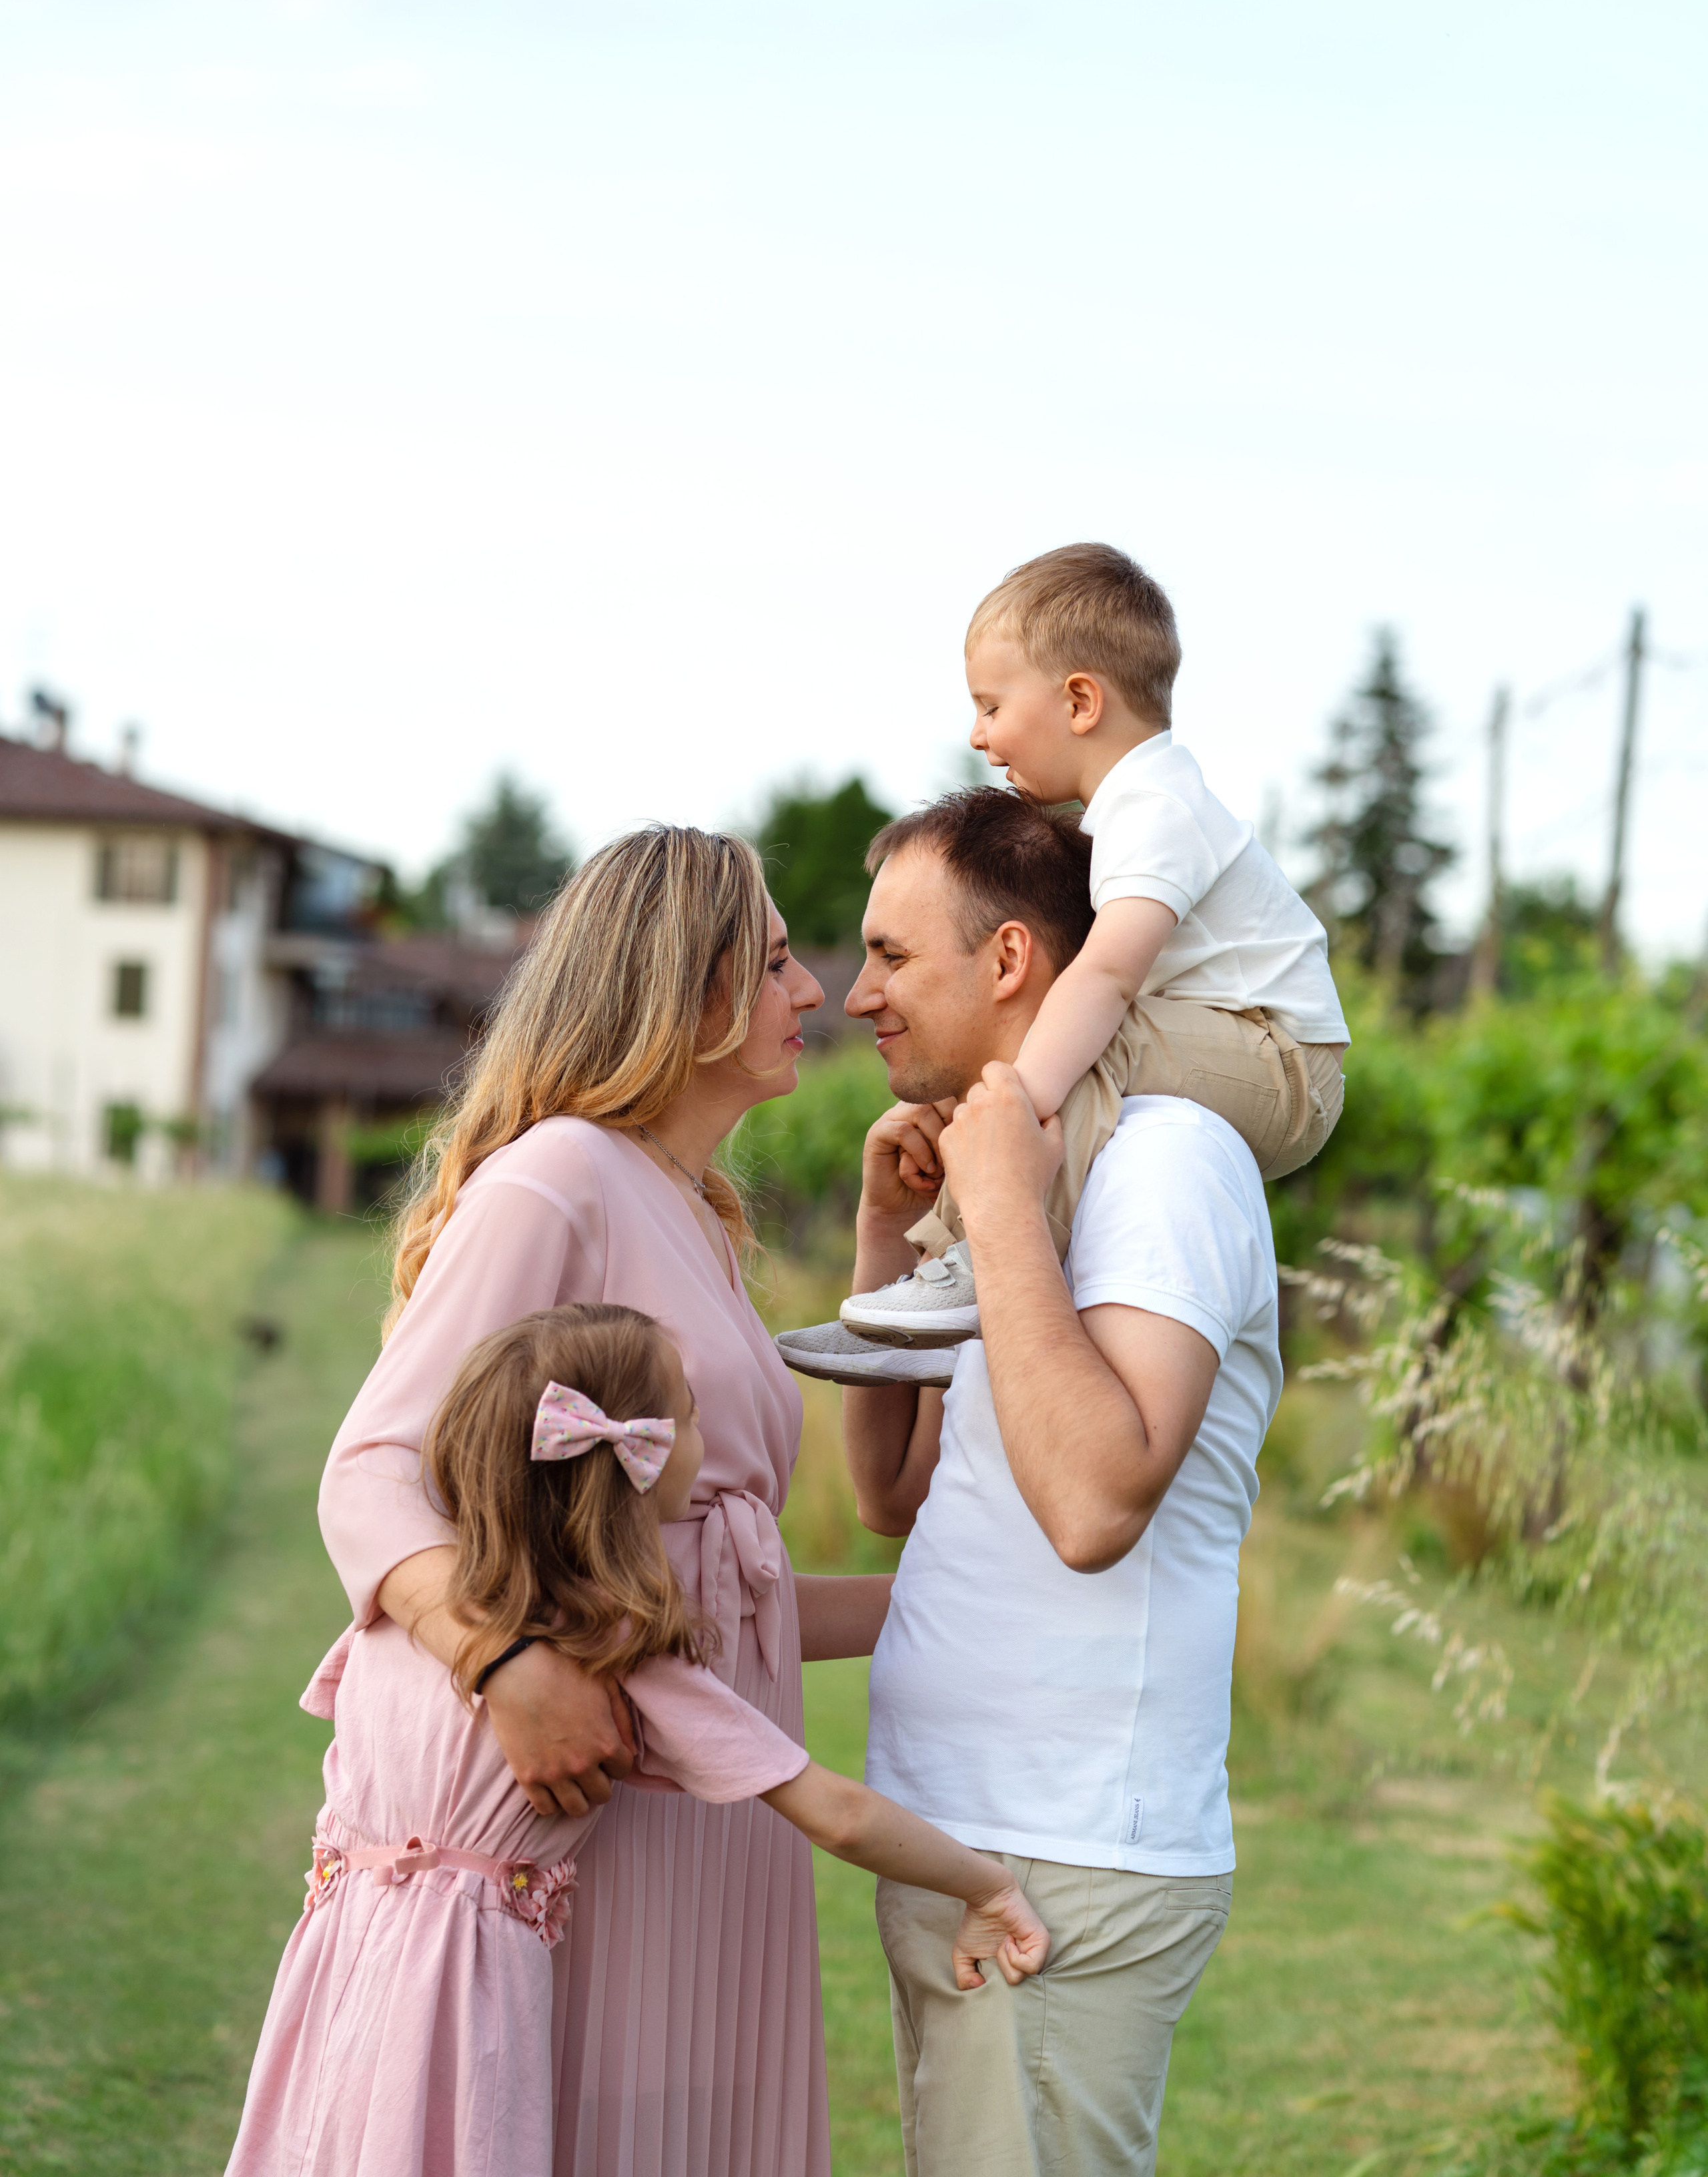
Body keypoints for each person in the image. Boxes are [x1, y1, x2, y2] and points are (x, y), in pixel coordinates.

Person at [316, 826, 883, 2177]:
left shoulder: (691, 1212)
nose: (813, 993)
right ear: (678, 991)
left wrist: (973, 1594)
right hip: (604, 1817)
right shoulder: (557, 1180)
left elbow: (712, 1588)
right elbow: (369, 1474)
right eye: (776, 960)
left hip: (711, 1808)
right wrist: (501, 1658)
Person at [228, 1304, 1046, 2177]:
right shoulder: (608, 1653)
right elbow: (837, 1814)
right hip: (467, 1998)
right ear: (637, 1457)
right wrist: (986, 1886)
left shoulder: (395, 1621)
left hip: (337, 1967)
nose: (704, 1439)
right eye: (693, 1416)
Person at [840, 790, 1282, 2176]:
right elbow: (891, 1493)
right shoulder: (1030, 1161)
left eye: (891, 957)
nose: (858, 996)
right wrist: (883, 1225)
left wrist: (995, 1214)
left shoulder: (1161, 1162)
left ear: (1012, 961)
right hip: (969, 1836)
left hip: (1061, 1856)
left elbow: (1095, 1502)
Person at [839, 540, 1346, 1345]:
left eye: (992, 706)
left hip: (1283, 1064)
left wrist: (1010, 1104)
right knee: (1034, 1050)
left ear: (1079, 702)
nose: (977, 733)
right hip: (1237, 1045)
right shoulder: (1128, 812)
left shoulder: (1155, 808)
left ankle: (973, 1258)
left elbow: (1106, 978)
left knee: (1068, 1048)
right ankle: (937, 1281)